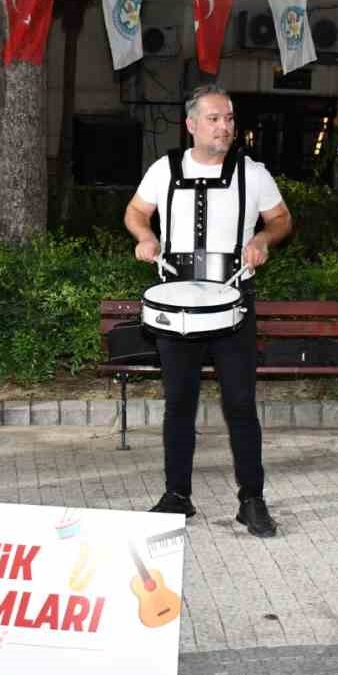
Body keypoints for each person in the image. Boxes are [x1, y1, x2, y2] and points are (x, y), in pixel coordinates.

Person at [123, 84, 292, 538]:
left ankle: (252, 499)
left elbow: (281, 219)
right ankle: (177, 495)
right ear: (192, 124)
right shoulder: (165, 169)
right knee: (179, 403)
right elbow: (136, 213)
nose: (225, 127)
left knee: (240, 404)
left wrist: (261, 239)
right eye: (215, 119)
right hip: (177, 304)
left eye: (230, 119)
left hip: (233, 301)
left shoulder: (252, 173)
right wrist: (144, 237)